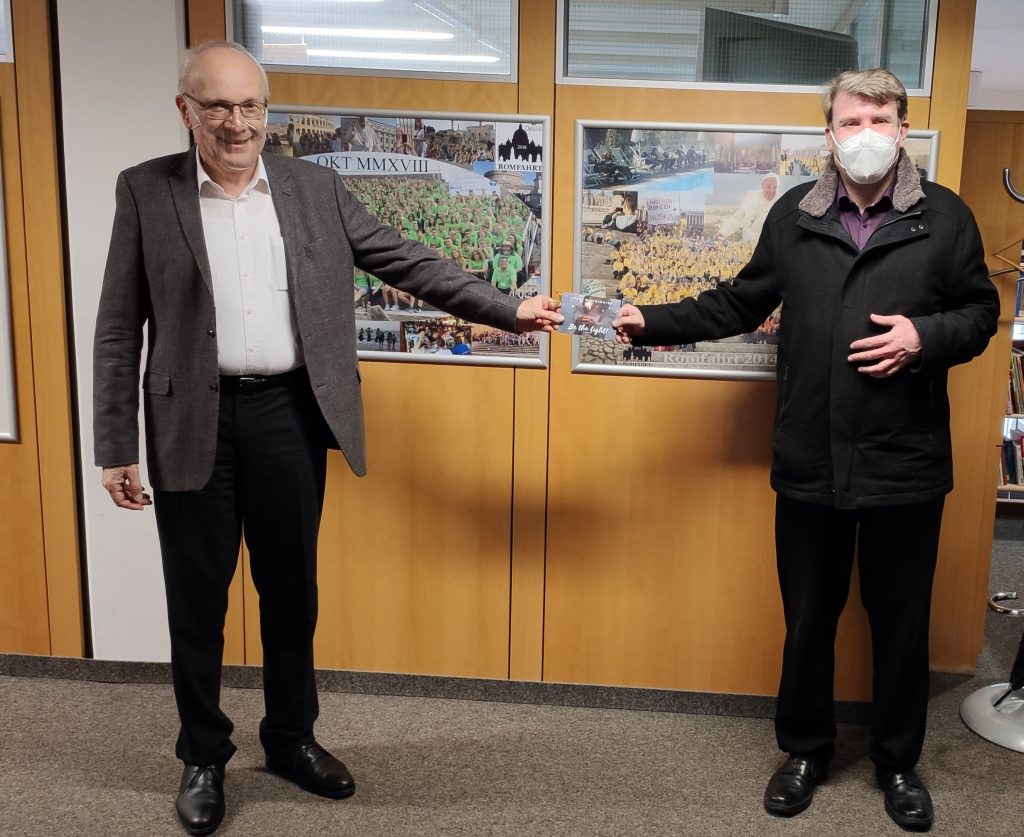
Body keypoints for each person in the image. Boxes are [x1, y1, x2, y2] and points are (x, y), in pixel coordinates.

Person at [92, 40, 562, 837]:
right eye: (217, 106)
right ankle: (203, 754)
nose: (237, 122)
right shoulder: (145, 189)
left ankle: (290, 738)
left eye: (250, 105)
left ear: (266, 111)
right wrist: (114, 445)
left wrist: (506, 307)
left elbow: (406, 260)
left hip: (290, 414)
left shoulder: (315, 188)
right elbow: (116, 326)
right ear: (185, 110)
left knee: (291, 594)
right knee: (197, 602)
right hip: (191, 422)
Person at [613, 68, 999, 833]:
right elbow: (739, 300)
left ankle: (897, 761)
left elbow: (980, 312)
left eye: (880, 119)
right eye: (852, 120)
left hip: (904, 462)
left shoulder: (946, 217)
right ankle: (805, 751)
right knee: (809, 618)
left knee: (900, 624)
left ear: (904, 130)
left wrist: (924, 337)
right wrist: (651, 320)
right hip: (810, 457)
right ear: (829, 133)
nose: (866, 134)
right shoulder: (794, 214)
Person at [717, 172, 780, 243]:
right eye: (768, 187)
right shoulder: (752, 197)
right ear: (762, 185)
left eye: (775, 187)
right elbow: (738, 218)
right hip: (747, 243)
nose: (772, 190)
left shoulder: (782, 201)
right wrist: (722, 233)